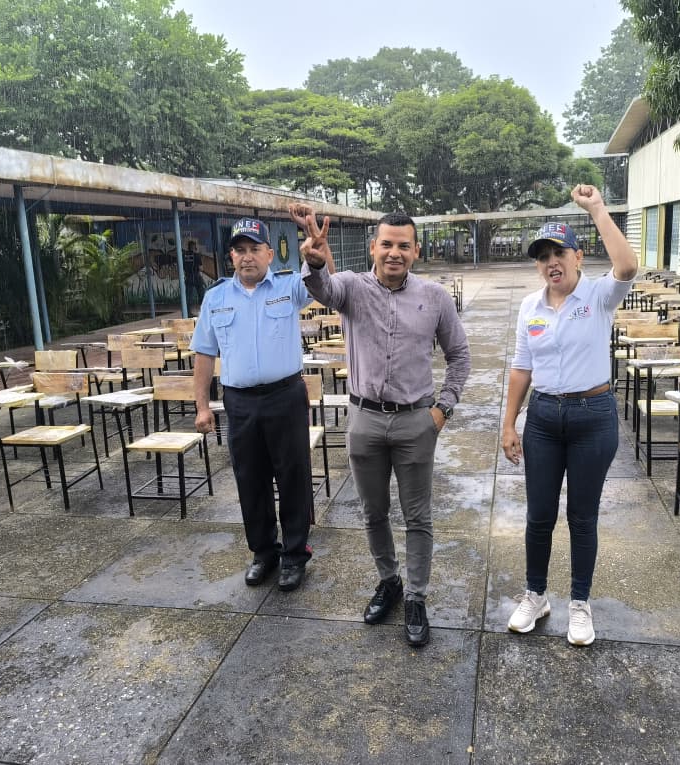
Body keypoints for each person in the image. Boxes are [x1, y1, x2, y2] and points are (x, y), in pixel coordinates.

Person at [292, 202, 470, 648]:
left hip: (416, 422)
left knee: (418, 517)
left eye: (404, 246)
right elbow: (323, 289)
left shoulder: (435, 298)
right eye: (387, 244)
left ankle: (416, 597)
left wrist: (442, 409)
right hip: (365, 420)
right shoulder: (352, 288)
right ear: (373, 247)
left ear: (416, 251)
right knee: (373, 513)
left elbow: (460, 356)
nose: (394, 253)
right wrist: (315, 260)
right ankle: (389, 581)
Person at [501, 184, 638, 646]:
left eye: (559, 253)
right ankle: (535, 595)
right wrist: (509, 423)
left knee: (582, 516)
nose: (551, 263)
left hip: (592, 418)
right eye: (543, 257)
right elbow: (521, 367)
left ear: (578, 257)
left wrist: (597, 208)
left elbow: (628, 266)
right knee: (539, 515)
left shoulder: (599, 296)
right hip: (543, 418)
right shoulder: (530, 307)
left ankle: (580, 603)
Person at [190, 217, 314, 592]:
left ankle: (295, 554)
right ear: (231, 256)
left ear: (269, 254)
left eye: (254, 249)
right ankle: (263, 552)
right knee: (250, 478)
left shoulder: (290, 286)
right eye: (239, 250)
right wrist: (202, 406)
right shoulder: (216, 298)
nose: (247, 257)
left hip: (285, 396)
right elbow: (204, 354)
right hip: (240, 402)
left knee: (293, 477)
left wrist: (317, 253)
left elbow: (324, 284)